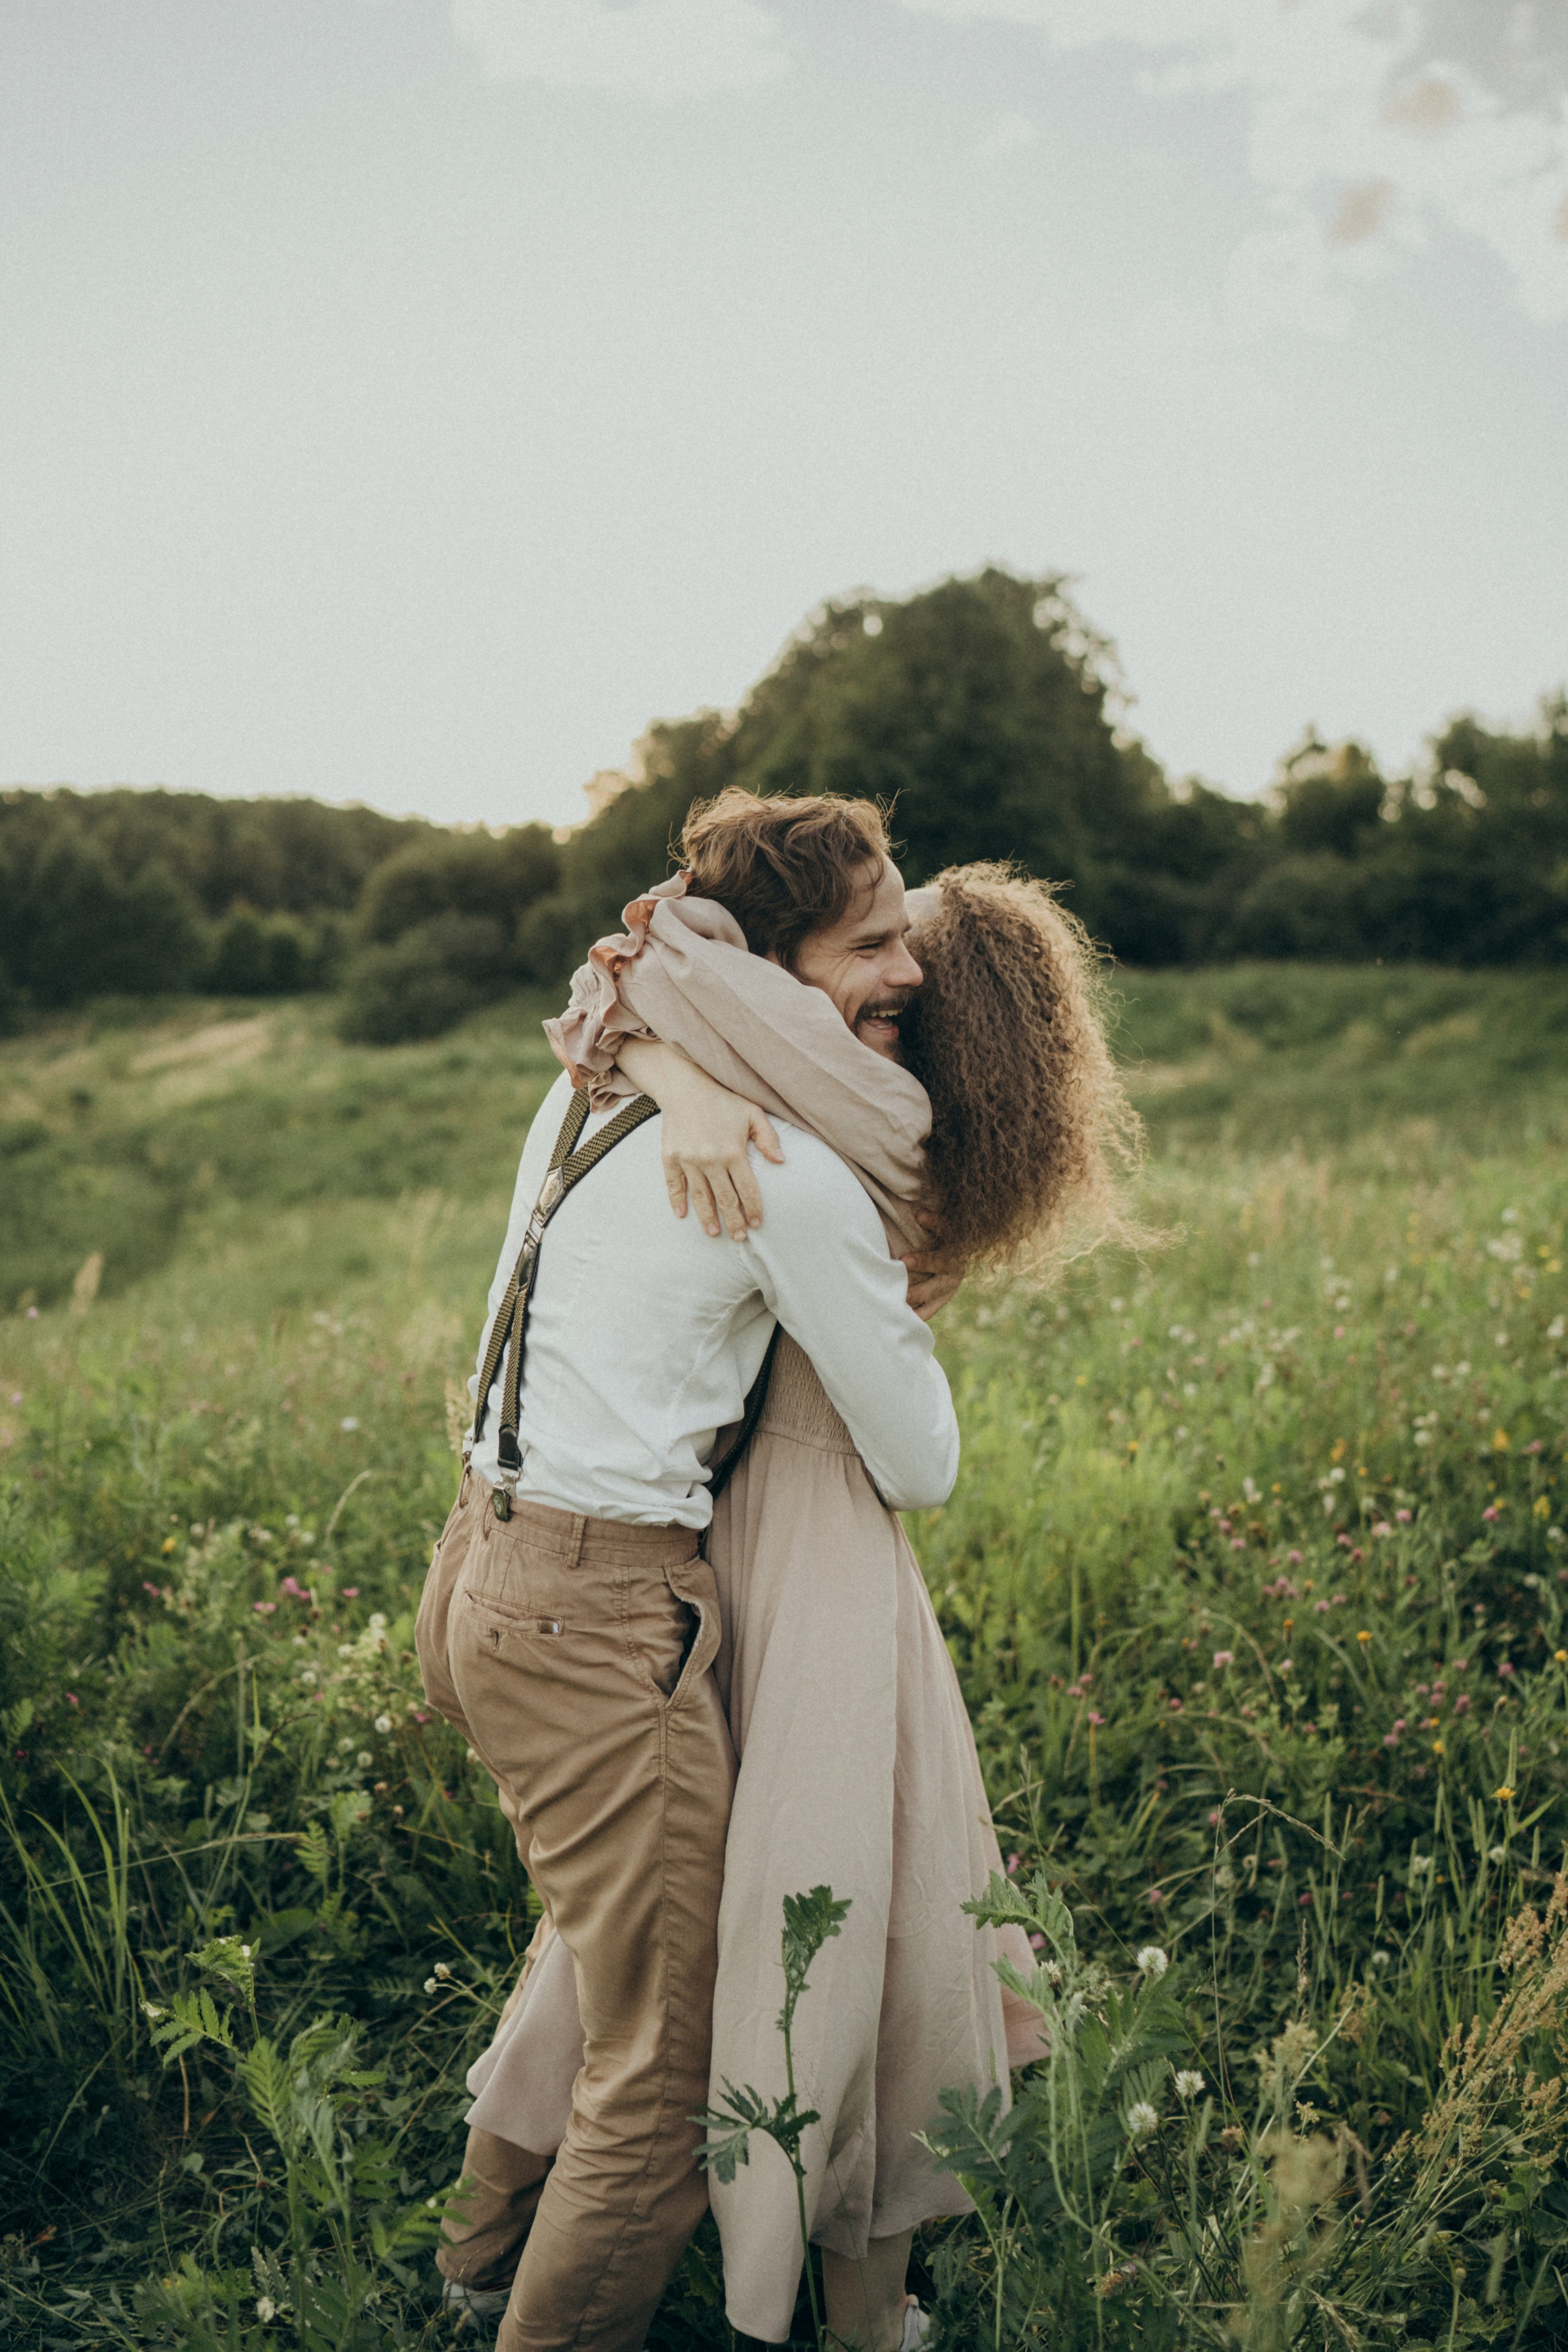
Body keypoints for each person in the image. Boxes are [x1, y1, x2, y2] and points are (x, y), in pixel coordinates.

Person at [448, 798, 1140, 2352]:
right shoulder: (806, 1167)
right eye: (871, 942)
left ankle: (478, 2248)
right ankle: (802, 2298)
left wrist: (668, 1059)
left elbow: (622, 990)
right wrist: (694, 1084)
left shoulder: (661, 1084)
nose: (896, 966)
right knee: (757, 1983)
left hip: (593, 1566)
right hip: (698, 1585)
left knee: (634, 1950)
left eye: (909, 947)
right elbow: (921, 1460)